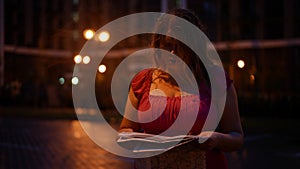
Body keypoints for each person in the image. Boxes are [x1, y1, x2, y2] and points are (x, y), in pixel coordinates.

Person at [119, 8, 244, 169]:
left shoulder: (216, 80)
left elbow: (237, 137)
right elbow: (125, 129)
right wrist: (129, 137)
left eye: (180, 46)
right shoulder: (143, 81)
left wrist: (217, 139)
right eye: (167, 45)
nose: (172, 52)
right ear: (158, 45)